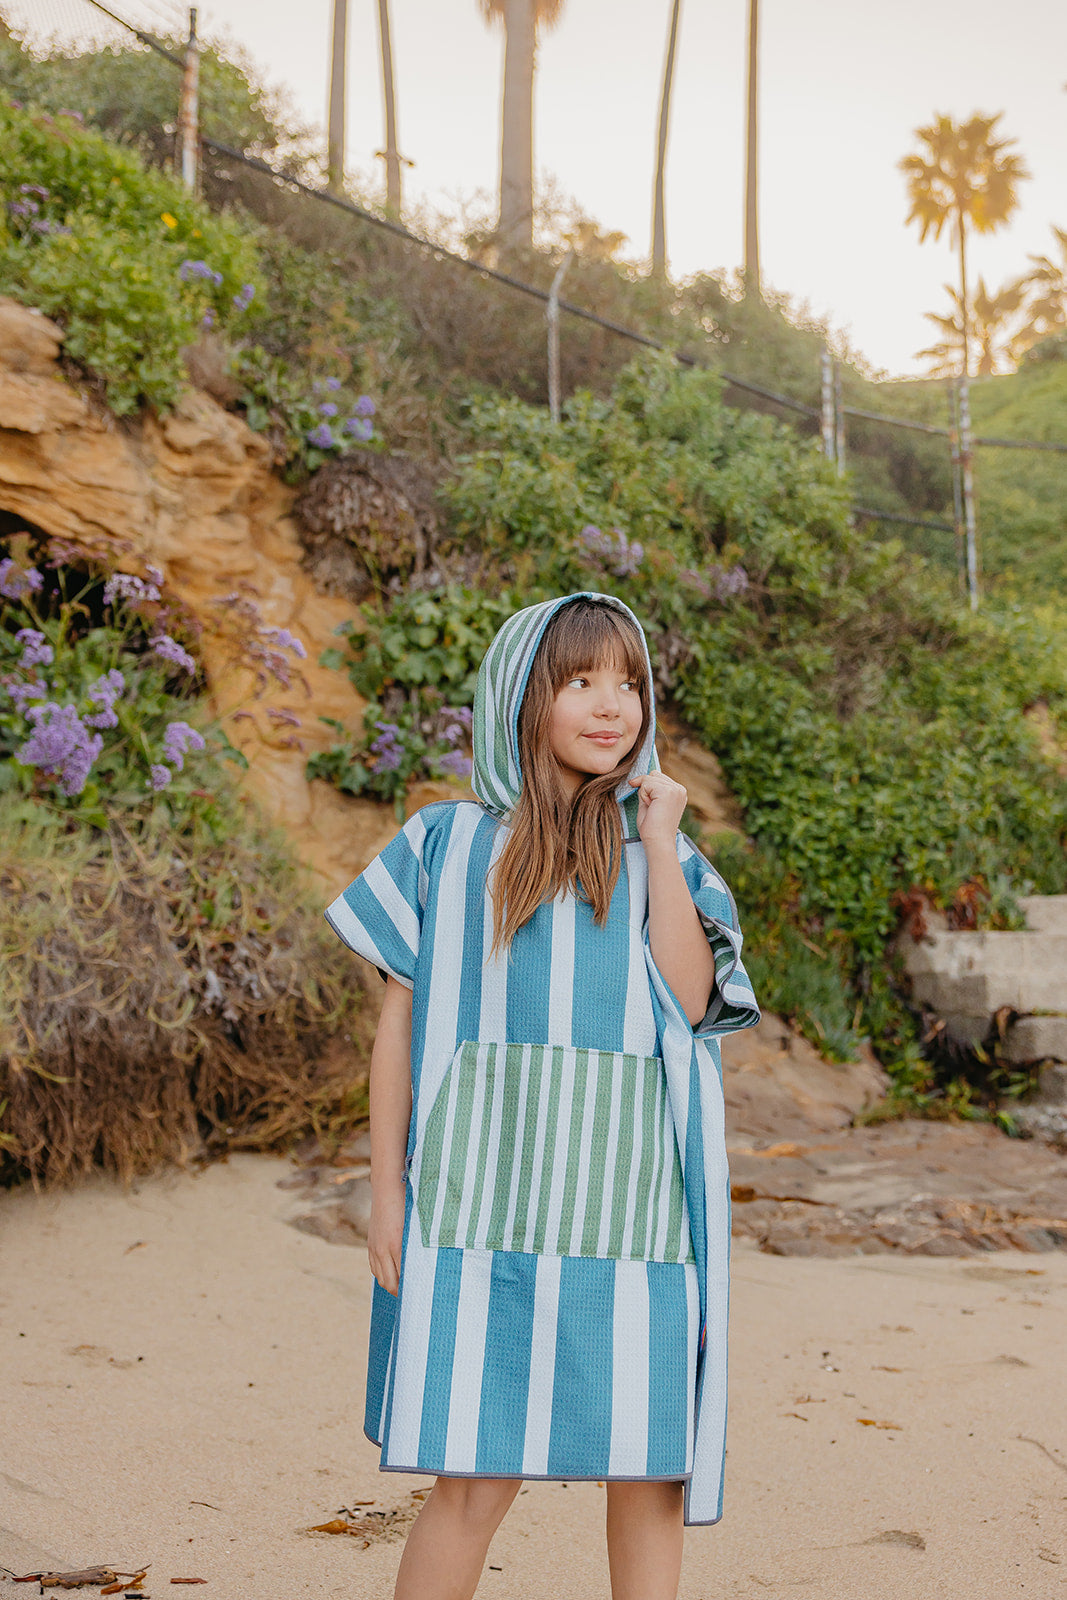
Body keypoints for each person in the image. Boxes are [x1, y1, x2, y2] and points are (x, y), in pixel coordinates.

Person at [324, 593, 759, 1600]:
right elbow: (397, 1030)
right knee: (474, 1476)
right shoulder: (442, 844)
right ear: (521, 695)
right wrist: (385, 1194)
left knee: (648, 1468)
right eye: (579, 681)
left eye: (629, 683)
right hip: (478, 1206)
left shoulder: (663, 851)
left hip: (636, 1209)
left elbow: (690, 1000)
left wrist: (659, 841)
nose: (611, 705)